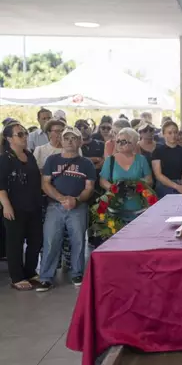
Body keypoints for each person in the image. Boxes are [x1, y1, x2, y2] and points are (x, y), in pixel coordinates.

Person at [38, 126, 96, 291]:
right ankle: (46, 277)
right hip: (55, 206)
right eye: (66, 138)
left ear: (80, 141)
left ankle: (77, 273)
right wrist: (61, 198)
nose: (70, 141)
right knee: (50, 240)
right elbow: (45, 183)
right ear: (61, 141)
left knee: (78, 240)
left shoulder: (86, 163)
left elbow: (89, 187)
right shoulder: (52, 160)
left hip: (78, 207)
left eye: (74, 138)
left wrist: (76, 200)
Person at [0, 122, 43, 291]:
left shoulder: (29, 155)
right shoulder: (4, 159)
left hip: (33, 204)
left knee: (35, 240)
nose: (25, 137)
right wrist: (6, 206)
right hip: (15, 206)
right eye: (20, 134)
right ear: (9, 138)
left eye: (25, 133)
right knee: (15, 242)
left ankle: (30, 271)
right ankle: (16, 276)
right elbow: (1, 185)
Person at [100, 128, 153, 223]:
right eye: (118, 141)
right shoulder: (110, 160)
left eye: (123, 141)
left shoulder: (141, 160)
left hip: (138, 208)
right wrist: (113, 188)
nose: (119, 144)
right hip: (115, 208)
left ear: (133, 144)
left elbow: (149, 180)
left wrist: (137, 186)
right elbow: (102, 181)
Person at [151, 121, 182, 198]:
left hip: (181, 184)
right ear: (163, 134)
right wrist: (176, 187)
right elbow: (158, 175)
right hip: (164, 185)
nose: (173, 135)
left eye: (175, 132)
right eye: (169, 133)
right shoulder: (157, 151)